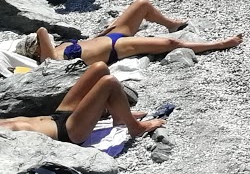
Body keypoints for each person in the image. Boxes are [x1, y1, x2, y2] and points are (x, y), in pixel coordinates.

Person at [18, 0, 240, 66]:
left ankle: (170, 24)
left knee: (141, 4)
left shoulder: (60, 47)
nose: (39, 42)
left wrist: (105, 31)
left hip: (109, 38)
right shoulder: (50, 60)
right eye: (35, 45)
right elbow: (42, 30)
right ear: (36, 52)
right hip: (116, 48)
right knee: (170, 45)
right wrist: (37, 39)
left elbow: (89, 42)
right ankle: (219, 44)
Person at [0, 61, 165, 144]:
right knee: (109, 82)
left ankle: (119, 117)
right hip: (68, 132)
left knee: (99, 68)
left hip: (56, 117)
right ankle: (135, 127)